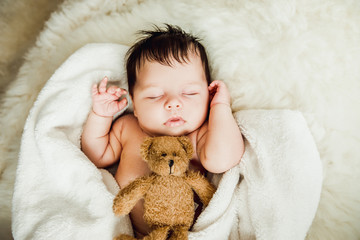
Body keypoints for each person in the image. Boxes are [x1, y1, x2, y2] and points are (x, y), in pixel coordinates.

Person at [81, 24, 244, 237]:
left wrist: (220, 108)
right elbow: (96, 156)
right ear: (135, 104)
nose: (173, 103)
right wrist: (101, 116)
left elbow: (223, 160)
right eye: (155, 95)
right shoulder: (128, 128)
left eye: (190, 93)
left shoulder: (197, 137)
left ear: (208, 95)